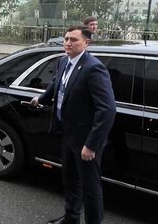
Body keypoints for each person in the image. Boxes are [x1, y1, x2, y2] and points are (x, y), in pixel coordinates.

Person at [30, 26, 115, 224]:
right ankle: (71, 218)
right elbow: (57, 84)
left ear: (86, 43)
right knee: (70, 180)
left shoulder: (93, 68)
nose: (68, 43)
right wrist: (41, 98)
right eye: (66, 39)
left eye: (74, 40)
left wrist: (91, 145)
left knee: (90, 187)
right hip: (67, 134)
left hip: (86, 141)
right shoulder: (63, 61)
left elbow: (107, 110)